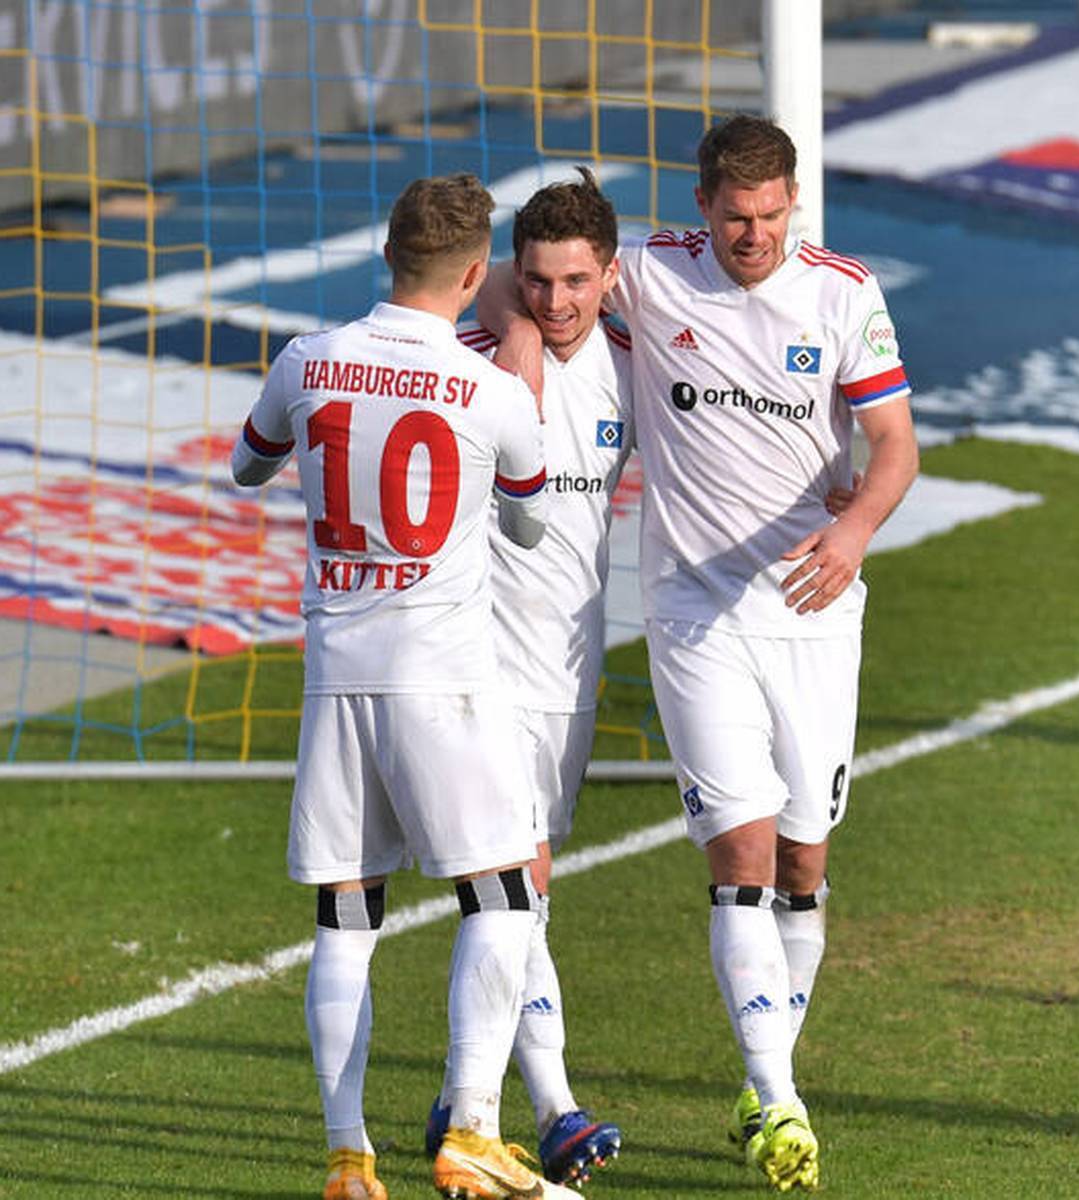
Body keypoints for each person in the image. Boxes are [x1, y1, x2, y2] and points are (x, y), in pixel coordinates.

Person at [480, 116, 919, 1194]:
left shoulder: (843, 295)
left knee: (805, 863)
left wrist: (854, 531)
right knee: (743, 853)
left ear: (794, 203)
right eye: (735, 217)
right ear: (703, 207)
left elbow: (895, 445)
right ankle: (776, 1097)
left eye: (771, 216)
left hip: (813, 611)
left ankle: (769, 1078)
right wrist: (523, 336)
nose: (754, 235)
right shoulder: (653, 272)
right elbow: (506, 277)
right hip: (694, 615)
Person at [231, 172, 578, 1200]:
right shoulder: (494, 392)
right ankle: (471, 1127)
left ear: (387, 256)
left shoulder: (307, 360)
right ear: (477, 276)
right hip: (444, 680)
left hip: (337, 680)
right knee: (503, 896)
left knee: (346, 918)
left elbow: (249, 465)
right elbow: (529, 525)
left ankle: (349, 1159)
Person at [424, 167, 631, 1186]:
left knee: (520, 902)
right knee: (517, 885)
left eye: (575, 282)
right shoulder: (475, 366)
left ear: (609, 277)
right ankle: (544, 1112)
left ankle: (464, 1101)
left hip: (571, 670)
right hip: (480, 667)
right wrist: (505, 327)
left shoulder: (637, 361)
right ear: (511, 271)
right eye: (535, 281)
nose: (554, 302)